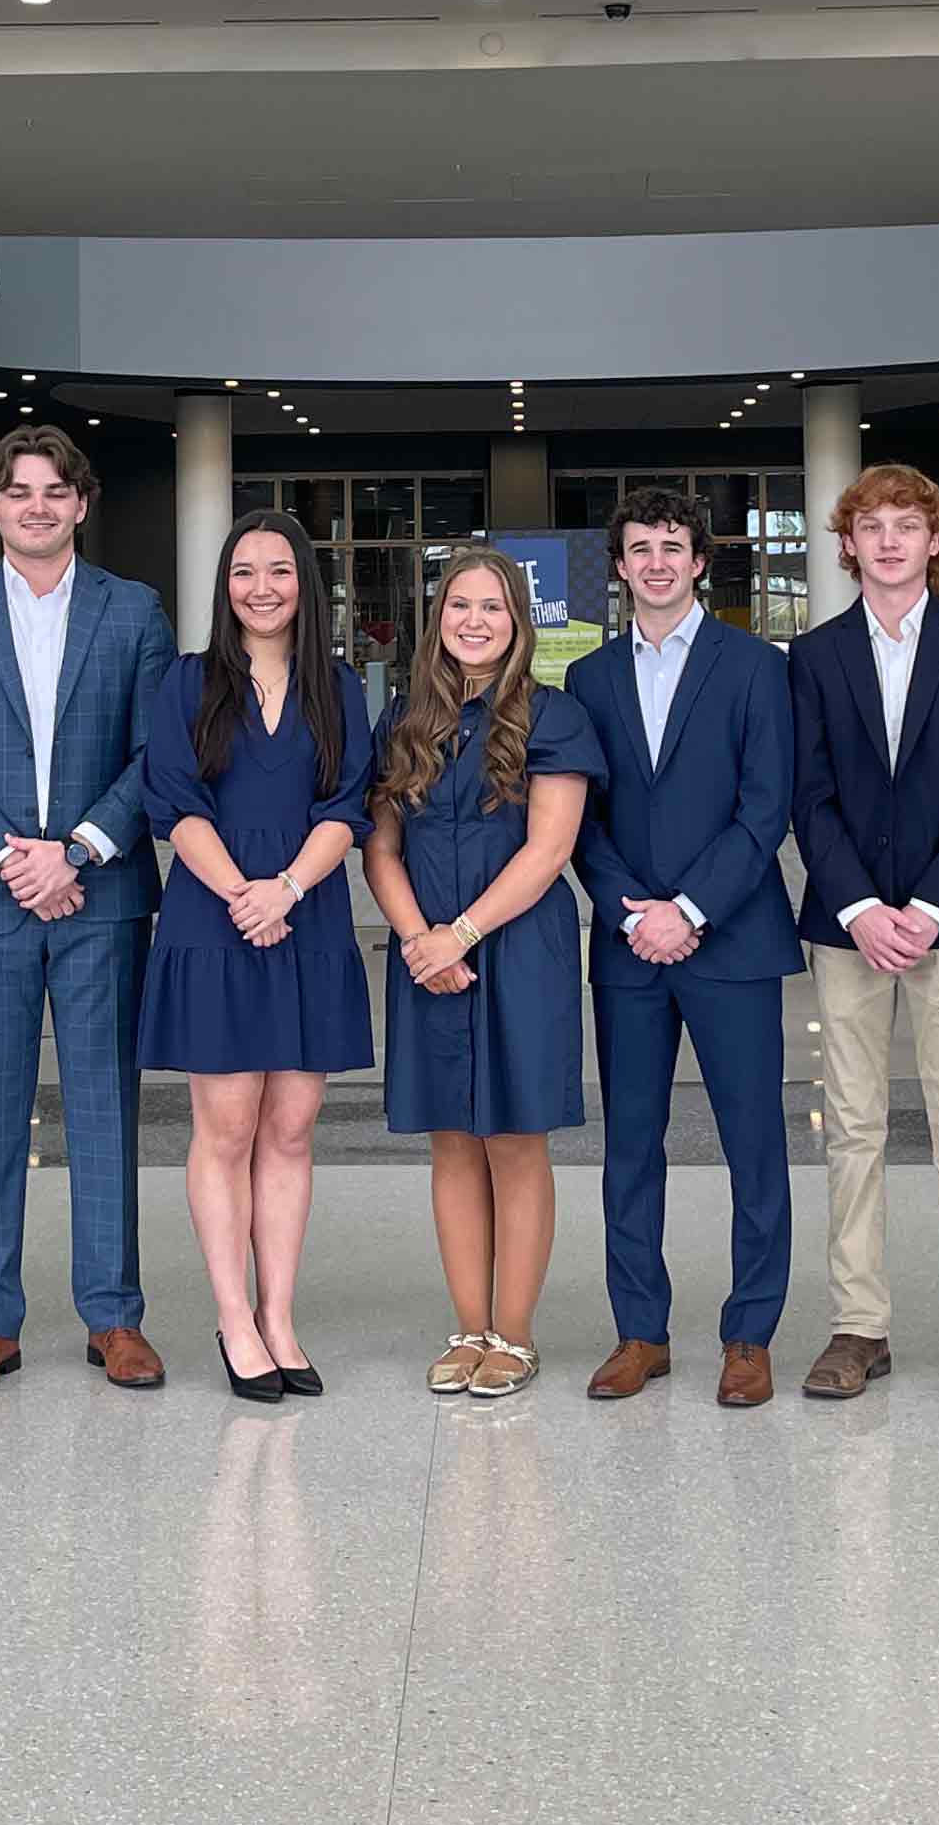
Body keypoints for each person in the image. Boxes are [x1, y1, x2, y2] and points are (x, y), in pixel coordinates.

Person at [0, 422, 176, 1400]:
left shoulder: (135, 612)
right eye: (18, 492)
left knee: (104, 1106)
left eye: (55, 491)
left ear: (81, 504)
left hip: (101, 897)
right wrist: (15, 858)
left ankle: (113, 1314)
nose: (36, 506)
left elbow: (157, 756)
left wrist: (82, 850)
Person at [788, 463, 939, 1408]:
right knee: (852, 1128)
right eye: (871, 526)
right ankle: (860, 1327)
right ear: (848, 544)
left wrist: (924, 910)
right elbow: (810, 795)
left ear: (937, 540)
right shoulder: (812, 656)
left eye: (908, 525)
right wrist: (858, 908)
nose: (889, 541)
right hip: (848, 929)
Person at [563, 485, 800, 1409]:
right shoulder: (587, 681)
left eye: (673, 546)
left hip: (732, 941)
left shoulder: (755, 667)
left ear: (701, 561)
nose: (657, 562)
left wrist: (690, 908)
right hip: (629, 950)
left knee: (754, 1144)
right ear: (618, 567)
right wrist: (633, 913)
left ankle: (750, 1333)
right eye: (639, 548)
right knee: (631, 1143)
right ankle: (640, 1331)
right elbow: (584, 819)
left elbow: (765, 806)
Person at [138, 513, 374, 1399]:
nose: (262, 587)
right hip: (213, 919)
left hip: (305, 919)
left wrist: (286, 892)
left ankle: (280, 1315)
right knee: (226, 1130)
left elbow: (348, 805)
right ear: (224, 586)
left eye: (280, 570)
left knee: (290, 1130)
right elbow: (174, 801)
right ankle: (234, 1320)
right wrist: (247, 892)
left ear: (304, 584)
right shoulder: (188, 681)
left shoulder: (339, 686)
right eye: (244, 572)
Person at [366, 544, 604, 1397]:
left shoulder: (554, 716)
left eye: (493, 607)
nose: (474, 620)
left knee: (514, 1140)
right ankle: (467, 1328)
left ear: (519, 623)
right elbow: (381, 847)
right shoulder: (404, 721)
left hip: (517, 950)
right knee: (452, 1142)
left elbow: (550, 849)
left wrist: (458, 934)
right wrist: (417, 940)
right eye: (460, 605)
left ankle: (515, 1334)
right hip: (426, 953)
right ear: (439, 620)